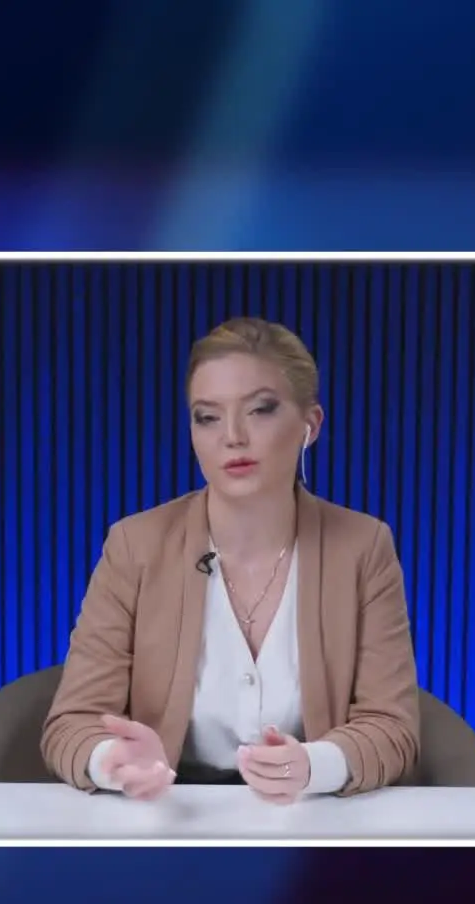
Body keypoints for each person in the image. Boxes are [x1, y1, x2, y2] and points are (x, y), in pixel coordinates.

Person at [40, 317, 420, 803]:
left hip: (309, 819)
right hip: (168, 817)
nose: (233, 436)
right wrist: (114, 761)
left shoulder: (363, 547)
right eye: (208, 417)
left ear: (311, 425)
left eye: (260, 410)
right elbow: (71, 724)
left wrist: (314, 766)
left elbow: (392, 728)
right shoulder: (135, 545)